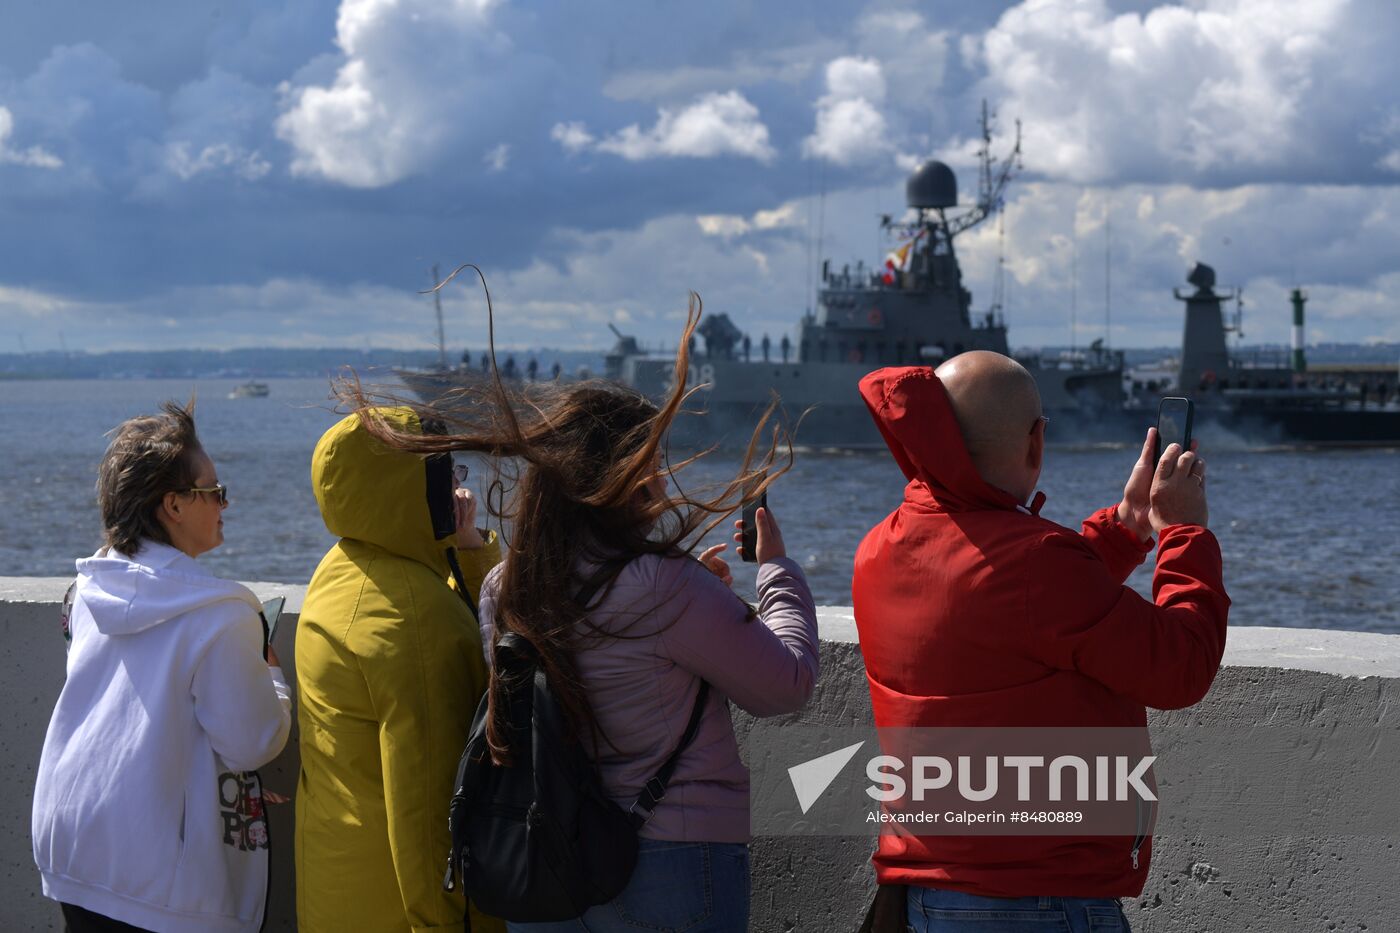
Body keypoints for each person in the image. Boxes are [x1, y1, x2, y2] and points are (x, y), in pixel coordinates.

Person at [350, 303, 820, 932]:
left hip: (547, 856)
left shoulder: (502, 586)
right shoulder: (668, 585)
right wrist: (778, 570)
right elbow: (786, 685)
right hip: (670, 858)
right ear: (627, 474)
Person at [851, 353, 1230, 932]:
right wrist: (1183, 533)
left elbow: (1011, 603)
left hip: (927, 895)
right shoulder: (1038, 567)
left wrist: (1128, 524)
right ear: (1036, 443)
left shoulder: (878, 549)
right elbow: (1183, 666)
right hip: (1039, 902)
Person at [32, 400, 292, 933]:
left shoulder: (89, 588)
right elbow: (252, 742)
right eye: (214, 492)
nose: (225, 503)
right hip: (160, 881)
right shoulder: (221, 615)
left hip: (72, 843)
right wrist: (272, 676)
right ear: (173, 505)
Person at [295, 407, 503, 933]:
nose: (458, 485)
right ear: (416, 485)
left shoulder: (342, 568)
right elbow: (429, 813)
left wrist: (467, 548)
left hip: (341, 891)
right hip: (400, 911)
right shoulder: (413, 619)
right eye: (447, 472)